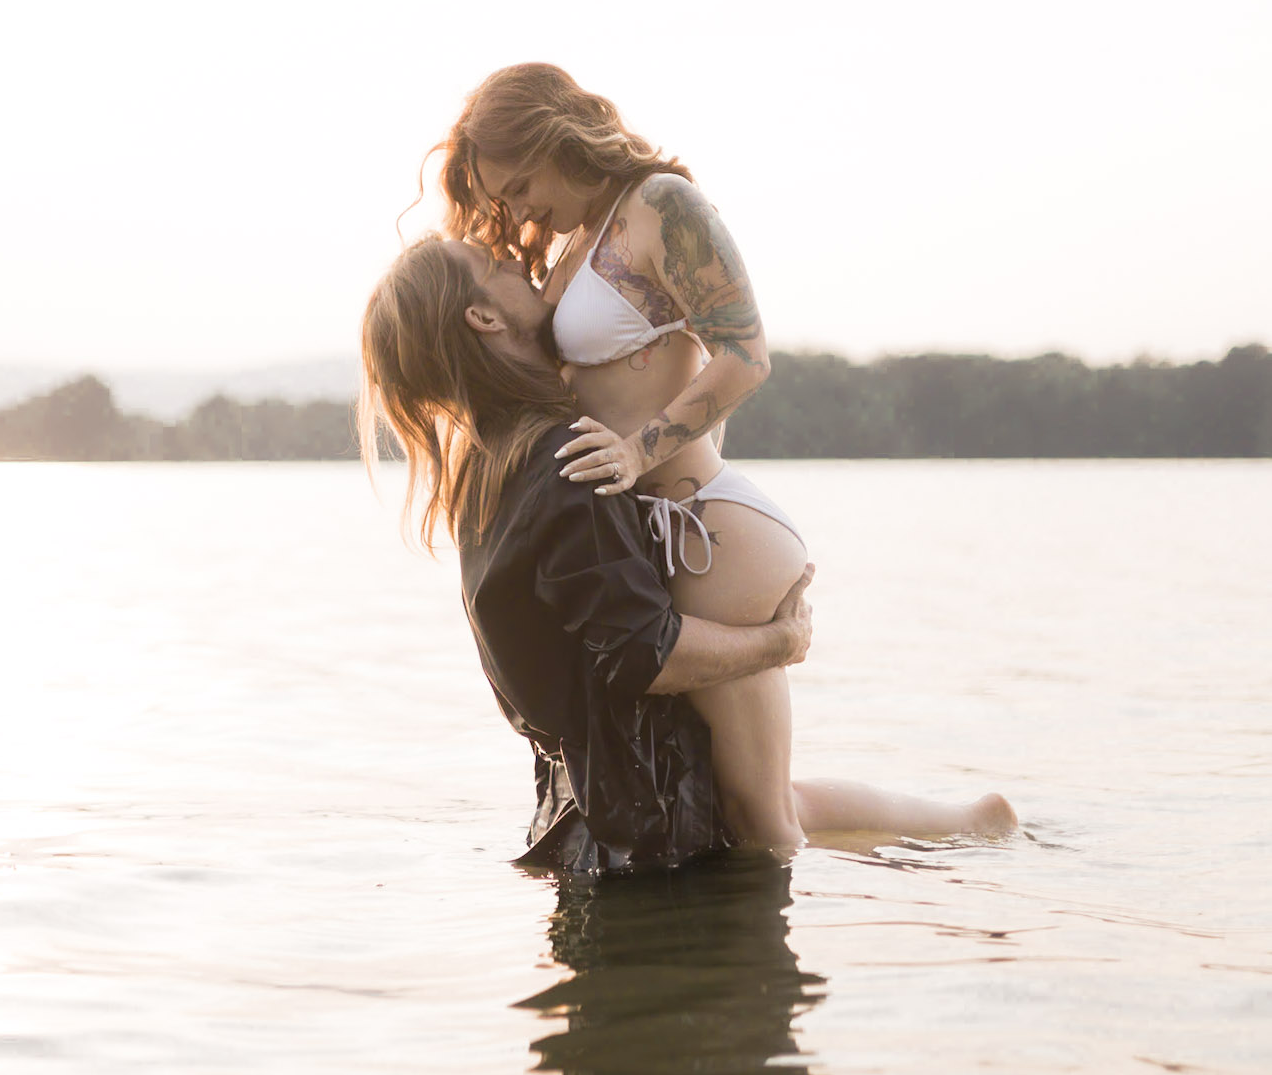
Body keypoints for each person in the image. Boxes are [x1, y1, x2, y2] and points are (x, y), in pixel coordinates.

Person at [435, 62, 1015, 846]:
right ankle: (969, 824)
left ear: (554, 136)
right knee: (751, 802)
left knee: (761, 822)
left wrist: (641, 452)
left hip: (710, 534)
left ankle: (945, 860)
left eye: (519, 183)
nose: (516, 208)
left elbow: (745, 355)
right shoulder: (580, 236)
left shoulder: (660, 204)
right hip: (661, 536)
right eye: (502, 198)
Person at [359, 232, 1016, 859]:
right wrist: (778, 644)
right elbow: (649, 654)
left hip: (592, 812)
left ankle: (966, 825)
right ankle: (968, 827)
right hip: (648, 827)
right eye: (492, 264)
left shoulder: (485, 473)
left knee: (773, 813)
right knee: (773, 821)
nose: (511, 260)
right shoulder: (570, 462)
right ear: (482, 317)